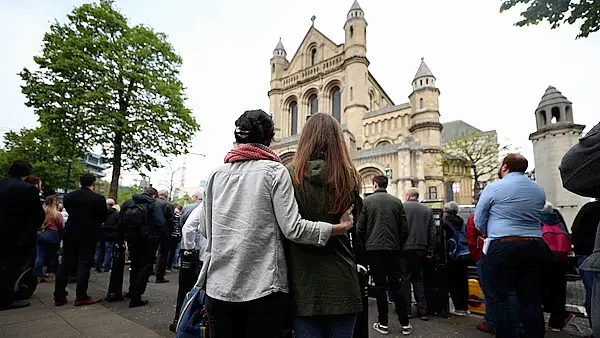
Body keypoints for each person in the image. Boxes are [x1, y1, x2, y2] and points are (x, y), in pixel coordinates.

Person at [195, 109, 354, 338]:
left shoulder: (215, 174)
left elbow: (204, 228)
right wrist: (338, 228)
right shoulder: (275, 171)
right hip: (263, 287)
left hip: (219, 287)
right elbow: (293, 229)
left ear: (238, 136)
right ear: (269, 139)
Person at [286, 113, 365, 338]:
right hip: (342, 281)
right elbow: (353, 221)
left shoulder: (292, 176)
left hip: (304, 282)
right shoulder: (349, 177)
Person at [475, 154, 547, 338]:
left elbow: (479, 221)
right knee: (531, 301)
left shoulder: (494, 187)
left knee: (498, 298)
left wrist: (490, 230)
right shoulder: (538, 190)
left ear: (505, 167)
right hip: (535, 245)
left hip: (504, 245)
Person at [357, 175, 411, 336]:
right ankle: (405, 324)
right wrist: (398, 245)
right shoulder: (396, 202)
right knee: (396, 286)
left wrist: (364, 247)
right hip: (393, 250)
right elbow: (404, 229)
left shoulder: (366, 202)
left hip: (374, 251)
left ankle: (383, 323)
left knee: (380, 288)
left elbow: (360, 228)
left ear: (374, 185)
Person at [468, 193, 522, 335]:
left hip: (486, 257)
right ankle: (517, 325)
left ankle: (493, 323)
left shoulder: (475, 218)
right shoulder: (506, 217)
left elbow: (471, 241)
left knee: (490, 293)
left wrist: (478, 257)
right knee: (511, 292)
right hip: (508, 255)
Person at [54, 173, 107, 307]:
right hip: (88, 232)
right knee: (84, 263)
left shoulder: (69, 196)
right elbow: (103, 217)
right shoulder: (98, 198)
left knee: (65, 262)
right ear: (93, 184)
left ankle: (59, 295)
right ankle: (81, 295)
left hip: (70, 231)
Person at [0, 160, 45, 311]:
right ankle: (5, 298)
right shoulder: (27, 189)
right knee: (11, 267)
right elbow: (38, 214)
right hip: (17, 236)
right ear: (26, 174)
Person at [121, 187, 166, 308]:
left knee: (134, 265)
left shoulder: (128, 202)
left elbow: (121, 220)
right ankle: (137, 297)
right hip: (148, 241)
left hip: (132, 239)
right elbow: (161, 223)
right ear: (154, 196)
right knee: (144, 267)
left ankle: (131, 291)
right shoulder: (153, 205)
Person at [169, 191, 205, 333]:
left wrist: (188, 247)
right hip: (204, 254)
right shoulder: (209, 206)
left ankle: (180, 319)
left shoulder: (191, 208)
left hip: (192, 252)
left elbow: (188, 227)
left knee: (185, 288)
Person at [539, 202, 575, 332]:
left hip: (545, 259)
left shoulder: (538, 222)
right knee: (559, 292)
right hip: (562, 258)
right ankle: (557, 323)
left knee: (541, 290)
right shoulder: (557, 219)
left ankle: (560, 316)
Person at [401, 187, 436, 321]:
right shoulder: (427, 210)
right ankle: (423, 311)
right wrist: (430, 251)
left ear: (409, 196)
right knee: (418, 279)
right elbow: (432, 233)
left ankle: (407, 310)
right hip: (421, 249)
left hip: (404, 249)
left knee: (405, 279)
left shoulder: (402, 208)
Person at [571, 199, 600, 333]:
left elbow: (576, 229)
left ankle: (594, 329)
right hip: (588, 253)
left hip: (588, 255)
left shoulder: (589, 208)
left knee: (593, 295)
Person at [442, 201, 471, 317]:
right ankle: (464, 307)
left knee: (453, 282)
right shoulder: (461, 221)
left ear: (446, 212)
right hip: (464, 253)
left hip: (453, 255)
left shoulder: (446, 223)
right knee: (463, 281)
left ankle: (458, 307)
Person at [34, 195, 64, 282]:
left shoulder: (41, 212)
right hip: (52, 235)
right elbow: (61, 226)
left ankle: (38, 275)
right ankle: (57, 274)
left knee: (39, 256)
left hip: (41, 234)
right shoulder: (57, 214)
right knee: (54, 257)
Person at [154, 190, 175, 283]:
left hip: (152, 231)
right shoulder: (168, 205)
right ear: (166, 195)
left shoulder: (153, 203)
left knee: (150, 252)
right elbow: (171, 219)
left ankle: (146, 274)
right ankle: (159, 276)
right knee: (162, 254)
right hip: (164, 232)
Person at [94, 198, 120, 273]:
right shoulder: (116, 215)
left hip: (100, 234)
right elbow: (118, 225)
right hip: (110, 236)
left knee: (98, 251)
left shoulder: (100, 214)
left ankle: (97, 266)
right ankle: (107, 266)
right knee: (108, 251)